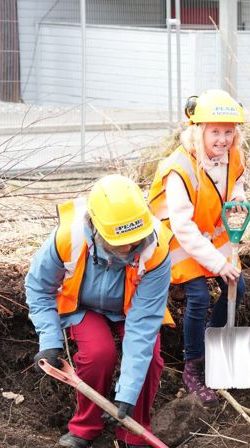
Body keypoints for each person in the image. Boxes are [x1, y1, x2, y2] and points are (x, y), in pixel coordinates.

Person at [26, 175, 174, 448]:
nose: (128, 249)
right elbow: (39, 288)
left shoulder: (157, 250)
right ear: (95, 227)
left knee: (151, 359)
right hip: (82, 307)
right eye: (119, 243)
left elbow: (142, 324)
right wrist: (49, 340)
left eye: (134, 241)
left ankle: (133, 433)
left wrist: (127, 394)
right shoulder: (68, 237)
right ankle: (85, 428)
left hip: (133, 309)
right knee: (98, 354)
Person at [148, 89, 247, 403]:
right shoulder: (179, 168)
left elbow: (236, 184)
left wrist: (239, 201)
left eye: (228, 132)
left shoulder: (234, 155)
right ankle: (193, 364)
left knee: (238, 287)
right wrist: (218, 264)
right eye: (215, 132)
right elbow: (183, 226)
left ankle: (211, 344)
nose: (222, 140)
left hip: (212, 234)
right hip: (179, 239)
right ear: (199, 130)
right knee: (199, 296)